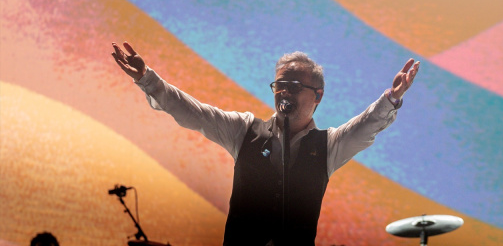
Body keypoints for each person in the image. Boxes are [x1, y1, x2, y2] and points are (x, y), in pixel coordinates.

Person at [111, 41, 419, 246]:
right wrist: (147, 79)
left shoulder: (329, 145)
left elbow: (365, 126)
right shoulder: (244, 129)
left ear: (318, 95)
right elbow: (194, 112)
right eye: (280, 85)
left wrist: (392, 98)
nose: (284, 92)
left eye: (294, 86)